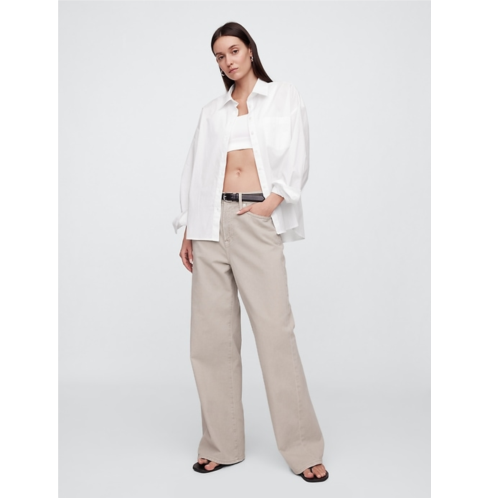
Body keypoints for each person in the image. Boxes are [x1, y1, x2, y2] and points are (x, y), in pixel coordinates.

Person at [172, 21, 328, 483]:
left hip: (254, 218)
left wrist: (272, 203)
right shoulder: (212, 112)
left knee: (275, 334)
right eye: (220, 56)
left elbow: (297, 156)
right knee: (211, 340)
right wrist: (188, 228)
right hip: (209, 223)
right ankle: (221, 445)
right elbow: (195, 169)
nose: (228, 61)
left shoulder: (283, 97)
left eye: (234, 50)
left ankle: (303, 448)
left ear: (250, 50)